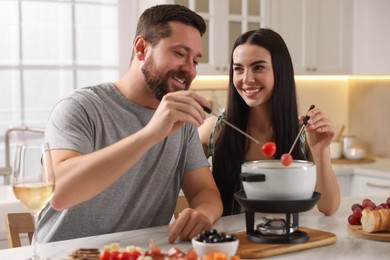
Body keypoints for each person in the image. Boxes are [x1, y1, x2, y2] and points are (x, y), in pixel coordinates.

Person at [37, 4, 223, 244]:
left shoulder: (182, 125)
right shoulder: (81, 107)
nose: (189, 69)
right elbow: (59, 193)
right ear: (141, 48)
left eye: (195, 60)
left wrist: (202, 214)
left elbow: (205, 192)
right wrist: (151, 133)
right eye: (179, 53)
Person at [198, 28, 340, 216]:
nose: (247, 79)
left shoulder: (303, 134)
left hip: (287, 243)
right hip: (231, 243)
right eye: (238, 69)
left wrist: (321, 150)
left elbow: (328, 207)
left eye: (258, 67)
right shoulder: (215, 130)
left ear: (280, 72)